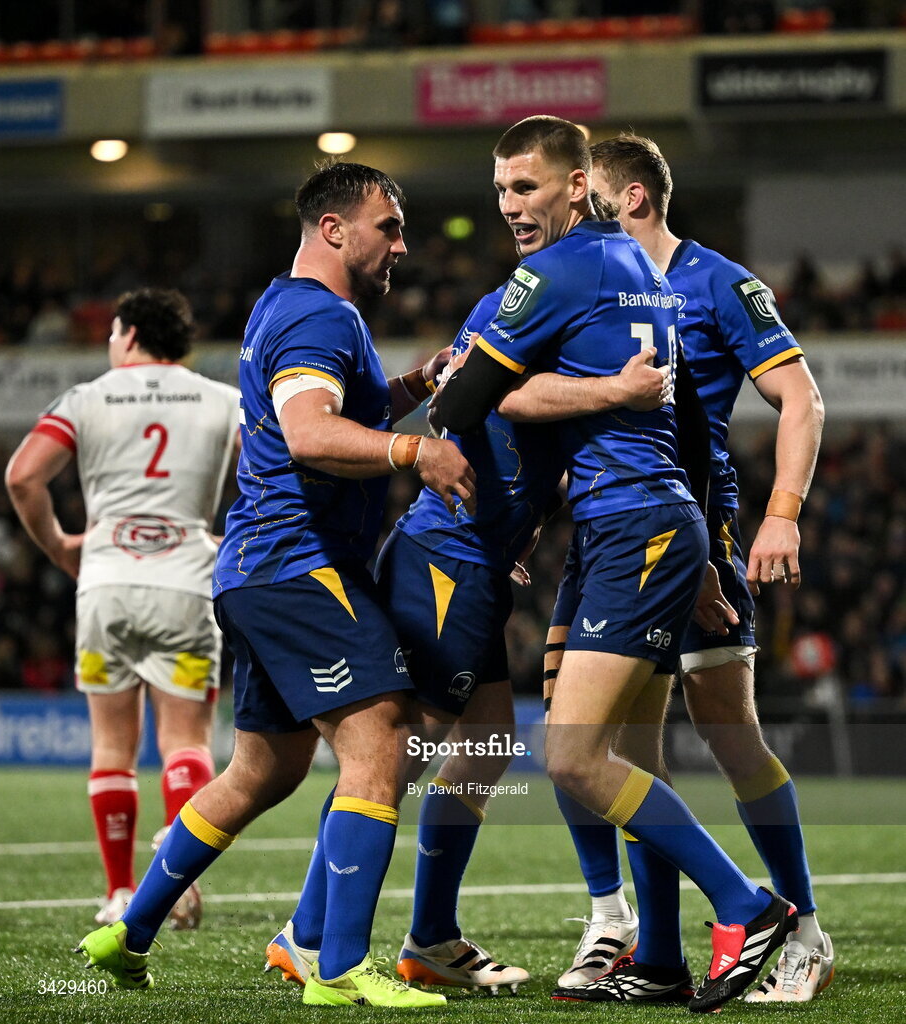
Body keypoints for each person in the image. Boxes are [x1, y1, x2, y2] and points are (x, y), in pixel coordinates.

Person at [73, 161, 475, 1010]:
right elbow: (306, 433)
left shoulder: (290, 308)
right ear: (334, 229)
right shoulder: (317, 316)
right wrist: (416, 449)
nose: (401, 244)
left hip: (257, 571)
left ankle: (128, 931)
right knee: (381, 736)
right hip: (297, 566)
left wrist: (411, 388)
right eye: (388, 226)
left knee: (263, 768)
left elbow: (331, 412)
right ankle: (336, 966)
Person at [436, 115, 798, 1013]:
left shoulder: (557, 271)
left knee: (569, 754)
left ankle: (753, 908)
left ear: (576, 188)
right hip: (650, 525)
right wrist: (703, 559)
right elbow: (675, 422)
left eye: (524, 187)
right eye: (499, 189)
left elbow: (459, 402)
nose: (508, 206)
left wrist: (481, 383)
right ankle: (661, 954)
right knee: (635, 752)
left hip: (629, 526)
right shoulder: (647, 273)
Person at [263, 284, 671, 995]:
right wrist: (616, 390)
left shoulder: (553, 330)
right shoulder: (519, 313)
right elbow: (486, 397)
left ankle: (429, 937)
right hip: (446, 558)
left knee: (485, 741)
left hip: (474, 561)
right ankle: (309, 932)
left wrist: (529, 512)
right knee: (397, 751)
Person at [545, 134, 831, 1005]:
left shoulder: (717, 282)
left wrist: (778, 515)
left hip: (692, 534)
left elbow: (802, 399)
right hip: (611, 535)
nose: (568, 202)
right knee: (620, 748)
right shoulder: (592, 277)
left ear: (631, 197)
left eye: (583, 189)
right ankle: (649, 947)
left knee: (728, 732)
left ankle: (802, 929)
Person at [5, 287, 240, 930]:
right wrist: (230, 540)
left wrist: (58, 547)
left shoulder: (87, 398)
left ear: (130, 335)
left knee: (112, 746)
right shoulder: (223, 400)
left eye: (113, 334)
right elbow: (271, 477)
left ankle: (117, 891)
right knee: (186, 743)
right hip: (187, 585)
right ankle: (180, 884)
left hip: (105, 582)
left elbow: (23, 477)